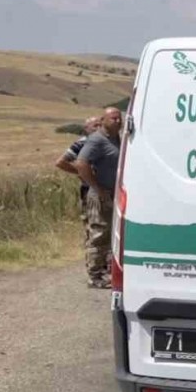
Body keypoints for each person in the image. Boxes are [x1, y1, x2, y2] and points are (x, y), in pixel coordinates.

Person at [75, 107, 122, 289]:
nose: (117, 121)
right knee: (99, 234)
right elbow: (81, 163)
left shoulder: (117, 138)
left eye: (119, 118)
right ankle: (94, 276)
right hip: (100, 195)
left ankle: (107, 272)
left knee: (111, 234)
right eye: (113, 119)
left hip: (114, 193)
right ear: (103, 120)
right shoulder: (97, 140)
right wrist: (97, 187)